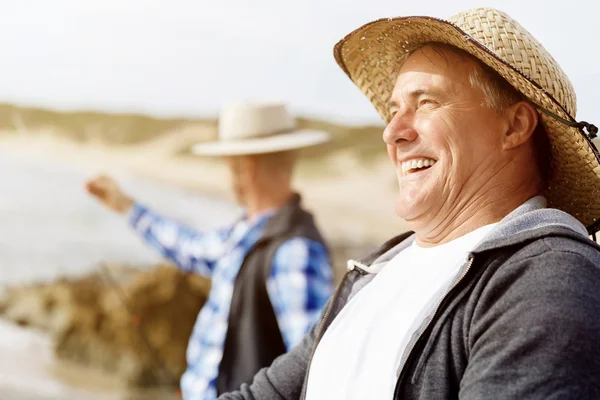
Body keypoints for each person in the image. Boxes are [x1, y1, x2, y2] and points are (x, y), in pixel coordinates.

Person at [218, 7, 600, 400]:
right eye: (395, 109)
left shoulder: (547, 277)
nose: (392, 132)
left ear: (514, 126)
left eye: (427, 102)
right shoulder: (379, 269)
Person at [85, 102, 334, 399]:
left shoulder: (294, 251)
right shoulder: (247, 232)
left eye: (229, 165)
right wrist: (126, 207)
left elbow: (318, 369)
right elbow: (190, 248)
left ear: (246, 168)